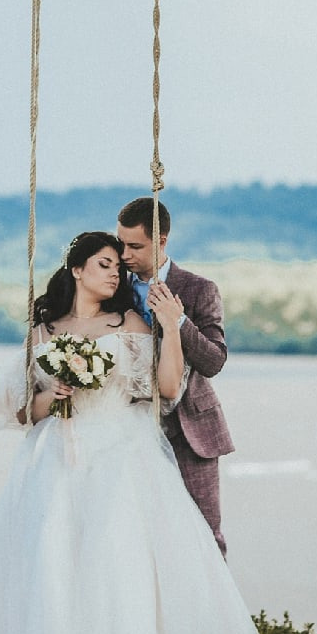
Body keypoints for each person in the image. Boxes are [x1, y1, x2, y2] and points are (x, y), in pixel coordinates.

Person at [0, 231, 261, 634]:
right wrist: (54, 395)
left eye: (118, 265)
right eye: (106, 264)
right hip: (56, 457)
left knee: (117, 557)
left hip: (122, 451)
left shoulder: (130, 321)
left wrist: (172, 328)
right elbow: (21, 407)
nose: (117, 273)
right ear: (77, 269)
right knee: (56, 556)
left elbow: (167, 388)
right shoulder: (46, 329)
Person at [116, 198, 233, 555]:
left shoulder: (200, 289)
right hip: (130, 430)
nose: (124, 254)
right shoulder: (112, 287)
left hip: (189, 433)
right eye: (120, 243)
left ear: (162, 240)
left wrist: (177, 321)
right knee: (140, 539)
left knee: (205, 537)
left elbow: (214, 361)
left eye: (135, 246)